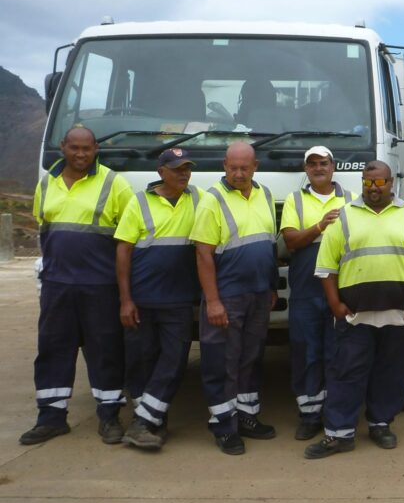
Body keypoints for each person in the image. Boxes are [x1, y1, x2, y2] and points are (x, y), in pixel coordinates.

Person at [305, 161, 404, 458]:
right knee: (346, 373)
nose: (374, 188)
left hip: (401, 316)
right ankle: (340, 434)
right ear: (362, 183)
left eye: (380, 182)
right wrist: (335, 304)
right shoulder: (344, 217)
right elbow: (326, 267)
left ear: (391, 183)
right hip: (355, 317)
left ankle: (381, 424)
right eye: (368, 182)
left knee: (391, 373)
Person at [20, 126, 133, 446]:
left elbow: (129, 237)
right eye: (74, 148)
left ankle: (109, 417)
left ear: (96, 149)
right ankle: (51, 418)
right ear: (63, 147)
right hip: (57, 284)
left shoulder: (114, 184)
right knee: (53, 349)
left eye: (86, 148)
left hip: (101, 286)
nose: (80, 154)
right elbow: (45, 229)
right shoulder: (47, 183)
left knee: (105, 350)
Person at [190, 141, 278, 455]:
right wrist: (213, 301)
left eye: (245, 168)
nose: (238, 174)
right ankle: (224, 426)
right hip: (227, 296)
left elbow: (268, 244)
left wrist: (271, 286)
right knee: (222, 362)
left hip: (258, 294)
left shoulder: (265, 194)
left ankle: (247, 417)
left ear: (255, 167)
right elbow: (203, 255)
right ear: (224, 166)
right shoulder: (211, 200)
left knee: (250, 357)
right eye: (233, 168)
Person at [114, 147, 203, 450]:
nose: (183, 174)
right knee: (141, 361)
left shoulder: (199, 199)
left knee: (174, 360)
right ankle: (152, 422)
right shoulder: (139, 202)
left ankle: (143, 422)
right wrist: (126, 300)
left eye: (187, 168)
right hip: (142, 299)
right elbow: (123, 251)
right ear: (161, 172)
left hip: (179, 300)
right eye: (177, 169)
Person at [279, 146, 354, 441]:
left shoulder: (351, 199)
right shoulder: (295, 200)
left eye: (323, 163)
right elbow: (291, 241)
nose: (318, 168)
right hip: (306, 290)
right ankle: (309, 415)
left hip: (342, 289)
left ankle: (334, 413)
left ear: (333, 166)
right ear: (306, 169)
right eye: (312, 164)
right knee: (306, 352)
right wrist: (321, 225)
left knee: (338, 353)